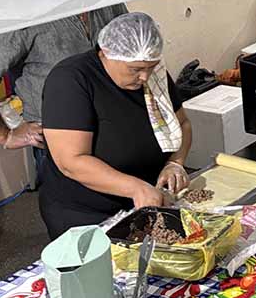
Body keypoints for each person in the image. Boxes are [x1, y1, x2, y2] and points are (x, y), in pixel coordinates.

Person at [39, 13, 192, 239]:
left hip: (147, 201)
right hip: (86, 213)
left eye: (151, 67)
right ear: (106, 53)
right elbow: (71, 161)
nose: (144, 76)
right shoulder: (71, 80)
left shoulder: (154, 77)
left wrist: (175, 163)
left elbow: (183, 124)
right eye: (135, 69)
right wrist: (136, 188)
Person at [0, 5, 128, 170]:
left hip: (111, 125)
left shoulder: (104, 1)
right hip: (60, 138)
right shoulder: (30, 17)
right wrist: (5, 136)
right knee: (77, 200)